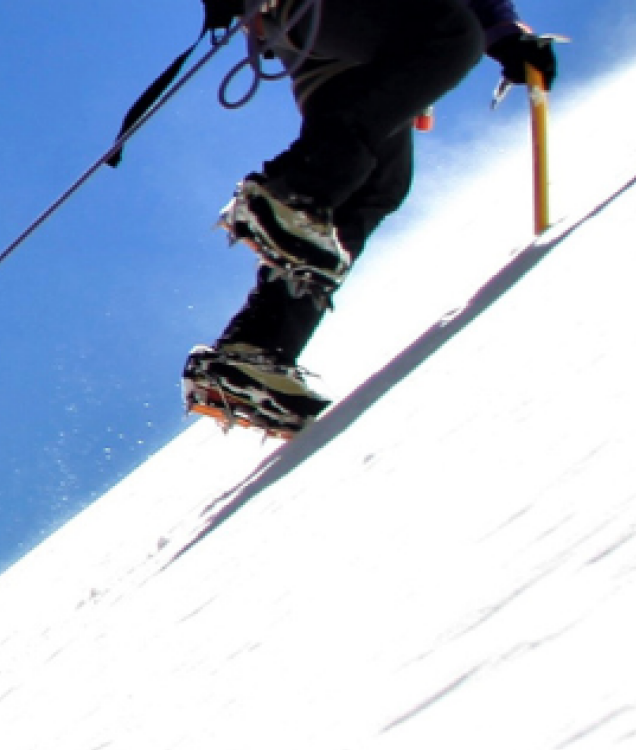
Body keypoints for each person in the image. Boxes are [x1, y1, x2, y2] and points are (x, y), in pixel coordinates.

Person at [185, 0, 559, 434]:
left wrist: (504, 31)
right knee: (449, 34)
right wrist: (500, 30)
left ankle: (257, 347)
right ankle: (294, 191)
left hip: (318, 31)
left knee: (377, 180)